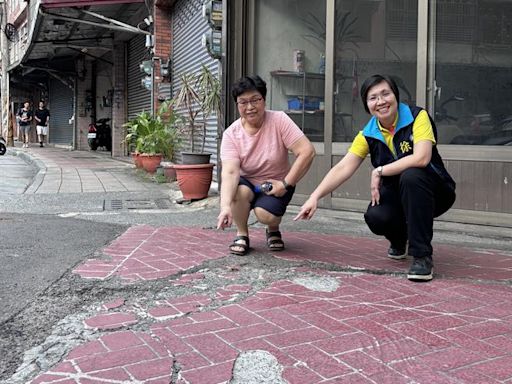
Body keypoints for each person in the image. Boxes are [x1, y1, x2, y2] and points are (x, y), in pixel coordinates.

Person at [294, 74, 456, 282]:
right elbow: (343, 167)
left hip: (435, 192)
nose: (380, 102)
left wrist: (378, 171)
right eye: (373, 98)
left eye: (385, 94)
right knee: (376, 217)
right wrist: (314, 197)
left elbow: (422, 158)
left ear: (395, 96)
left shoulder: (417, 117)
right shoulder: (368, 134)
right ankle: (399, 238)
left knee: (412, 176)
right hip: (400, 196)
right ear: (366, 104)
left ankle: (422, 256)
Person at [217, 75, 315, 256]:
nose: (250, 107)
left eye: (255, 100)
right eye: (243, 102)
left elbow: (307, 151)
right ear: (237, 105)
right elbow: (230, 172)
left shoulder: (279, 120)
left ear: (264, 99)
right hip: (247, 181)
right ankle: (242, 234)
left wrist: (286, 184)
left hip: (278, 181)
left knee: (266, 215)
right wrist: (225, 207)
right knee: (239, 192)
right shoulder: (232, 133)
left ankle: (273, 228)